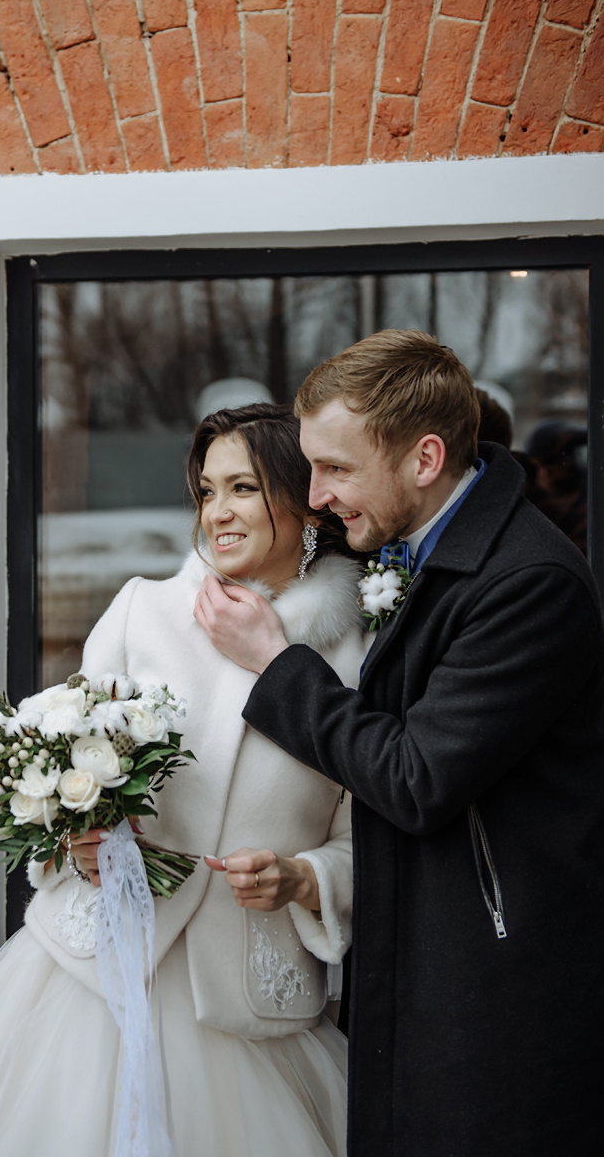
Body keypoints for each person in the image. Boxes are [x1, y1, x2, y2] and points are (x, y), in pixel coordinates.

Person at [0, 403, 369, 1157]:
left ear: (303, 501)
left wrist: (301, 877)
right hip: (92, 978)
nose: (218, 512)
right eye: (206, 491)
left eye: (244, 488)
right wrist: (78, 840)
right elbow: (65, 768)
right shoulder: (143, 611)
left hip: (246, 1000)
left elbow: (364, 838)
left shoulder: (357, 656)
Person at [195, 331, 604, 1157]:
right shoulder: (410, 552)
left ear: (424, 459)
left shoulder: (528, 584)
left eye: (337, 469)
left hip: (496, 989)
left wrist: (280, 666)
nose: (315, 496)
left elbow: (415, 776)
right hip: (419, 964)